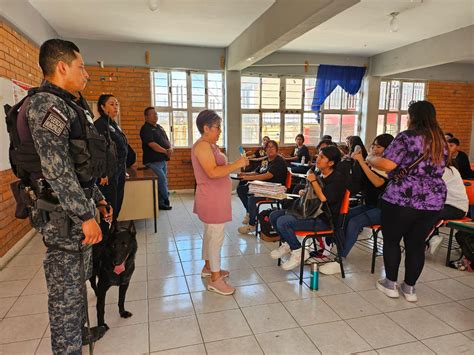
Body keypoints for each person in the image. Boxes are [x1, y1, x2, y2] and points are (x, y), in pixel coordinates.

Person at [27, 39, 112, 354]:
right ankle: (68, 346)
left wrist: (98, 198)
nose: (86, 74)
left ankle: (79, 336)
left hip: (78, 213)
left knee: (78, 287)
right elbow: (57, 171)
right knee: (65, 297)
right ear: (62, 66)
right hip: (65, 220)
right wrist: (85, 215)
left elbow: (80, 166)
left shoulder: (68, 104)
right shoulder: (46, 106)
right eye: (81, 66)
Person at [367, 100, 447, 302]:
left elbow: (387, 163)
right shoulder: (441, 140)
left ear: (412, 117)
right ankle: (410, 289)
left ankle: (390, 284)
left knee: (392, 240)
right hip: (433, 200)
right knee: (416, 244)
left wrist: (370, 159)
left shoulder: (407, 137)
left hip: (403, 198)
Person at [192, 110, 248, 295]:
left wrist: (235, 163)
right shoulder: (202, 146)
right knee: (216, 237)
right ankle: (215, 279)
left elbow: (221, 167)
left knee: (210, 234)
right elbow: (213, 172)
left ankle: (209, 267)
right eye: (217, 127)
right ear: (206, 128)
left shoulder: (211, 145)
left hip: (215, 197)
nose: (220, 131)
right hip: (211, 199)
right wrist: (237, 164)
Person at [320, 134, 394, 275]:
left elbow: (377, 182)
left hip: (384, 209)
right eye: (373, 145)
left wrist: (362, 162)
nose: (374, 149)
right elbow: (357, 185)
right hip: (370, 205)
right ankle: (337, 247)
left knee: (354, 223)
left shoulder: (388, 164)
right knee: (344, 217)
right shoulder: (371, 162)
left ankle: (340, 259)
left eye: (379, 147)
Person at [269, 146, 345, 270]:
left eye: (322, 157)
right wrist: (305, 192)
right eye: (318, 155)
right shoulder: (319, 173)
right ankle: (288, 243)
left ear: (331, 163)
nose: (317, 159)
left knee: (283, 222)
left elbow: (324, 198)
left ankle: (298, 252)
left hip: (324, 220)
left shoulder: (337, 178)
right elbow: (314, 194)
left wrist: (313, 182)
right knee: (274, 215)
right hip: (309, 212)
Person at [237, 140, 288, 234]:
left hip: (275, 190)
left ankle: (252, 225)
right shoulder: (265, 160)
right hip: (262, 188)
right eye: (268, 147)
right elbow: (257, 172)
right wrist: (244, 174)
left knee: (252, 199)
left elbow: (267, 175)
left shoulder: (279, 161)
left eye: (272, 147)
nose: (270, 149)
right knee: (241, 189)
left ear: (276, 149)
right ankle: (249, 212)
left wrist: (248, 178)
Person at [94, 94, 128, 222]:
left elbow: (120, 149)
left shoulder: (113, 124)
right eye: (112, 104)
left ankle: (113, 232)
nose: (116, 107)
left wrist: (123, 168)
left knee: (117, 204)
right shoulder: (100, 125)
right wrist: (102, 173)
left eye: (117, 104)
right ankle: (105, 238)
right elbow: (98, 151)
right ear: (102, 107)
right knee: (109, 206)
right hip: (107, 174)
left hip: (118, 170)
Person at [426, 161, 469, 254]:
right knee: (424, 211)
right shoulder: (442, 169)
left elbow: (428, 187)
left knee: (428, 213)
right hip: (445, 205)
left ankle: (424, 241)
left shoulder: (447, 171)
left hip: (457, 208)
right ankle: (433, 238)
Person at [140, 107, 173, 210]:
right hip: (152, 162)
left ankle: (161, 203)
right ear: (146, 117)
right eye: (152, 114)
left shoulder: (159, 127)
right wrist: (165, 151)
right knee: (161, 180)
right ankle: (166, 198)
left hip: (162, 160)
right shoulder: (146, 129)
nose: (155, 116)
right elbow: (152, 144)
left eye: (156, 114)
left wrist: (170, 148)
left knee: (163, 181)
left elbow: (166, 140)